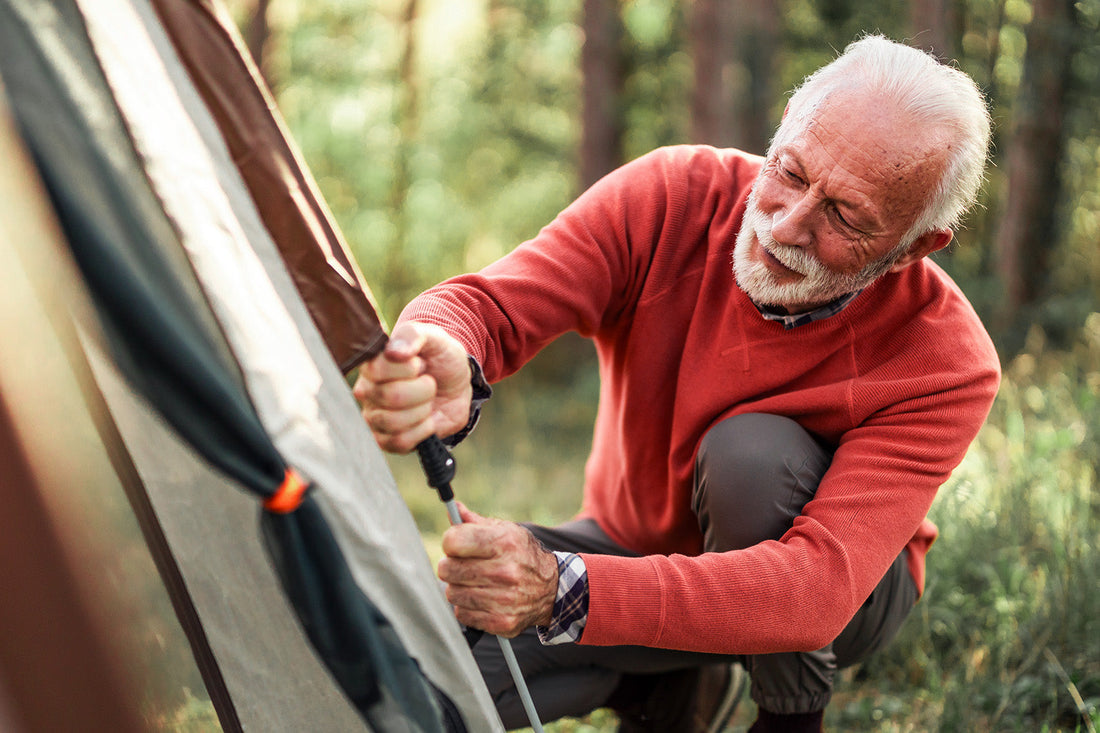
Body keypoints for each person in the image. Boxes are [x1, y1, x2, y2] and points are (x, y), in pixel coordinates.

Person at [354, 35, 1000, 733]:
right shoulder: (674, 194)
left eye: (845, 216)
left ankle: (786, 719)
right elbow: (489, 306)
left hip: (839, 602)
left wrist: (560, 588)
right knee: (419, 688)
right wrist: (445, 347)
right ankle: (672, 686)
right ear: (782, 127)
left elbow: (815, 589)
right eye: (789, 171)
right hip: (632, 549)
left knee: (751, 457)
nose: (785, 225)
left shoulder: (946, 357)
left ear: (915, 245)